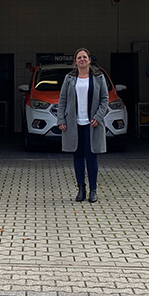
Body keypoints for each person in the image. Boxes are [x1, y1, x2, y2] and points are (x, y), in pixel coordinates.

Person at [56, 48, 109, 202]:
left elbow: (105, 99)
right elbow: (63, 100)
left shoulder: (99, 77)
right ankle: (81, 189)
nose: (82, 60)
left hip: (92, 124)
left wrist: (98, 117)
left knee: (91, 156)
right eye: (79, 57)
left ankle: (93, 190)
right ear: (76, 61)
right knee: (77, 157)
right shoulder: (69, 78)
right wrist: (61, 119)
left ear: (89, 60)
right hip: (74, 124)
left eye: (85, 57)